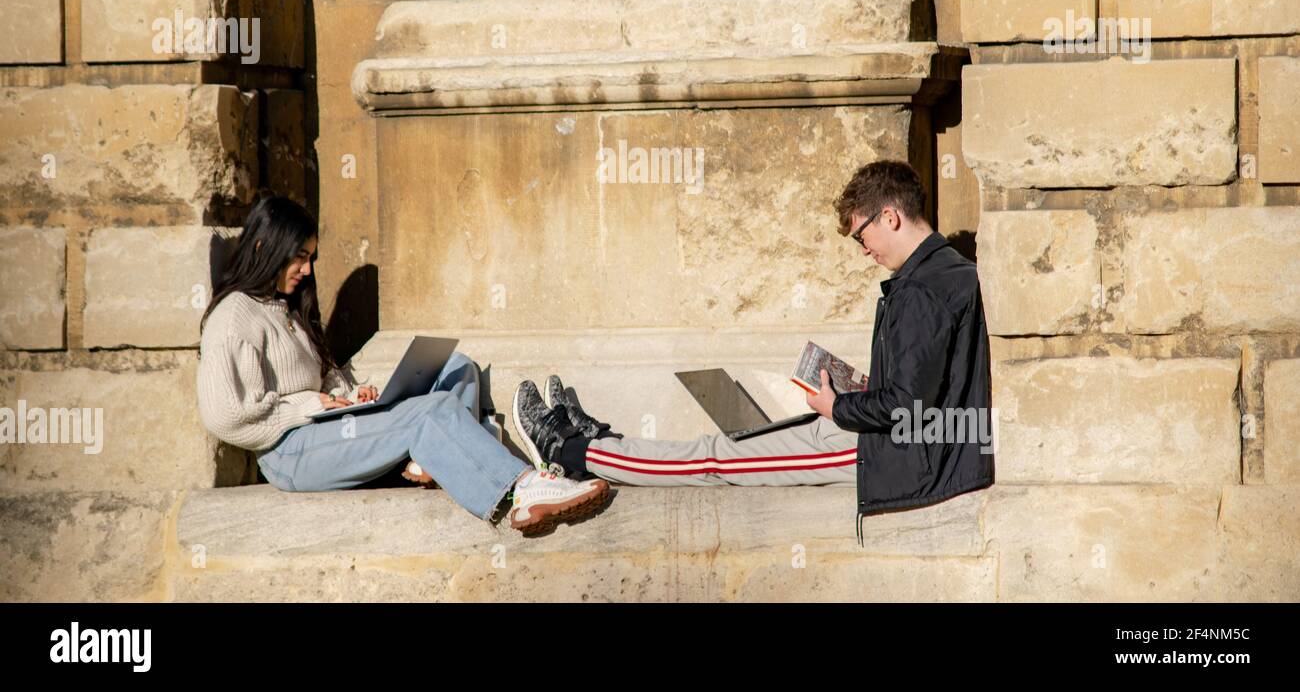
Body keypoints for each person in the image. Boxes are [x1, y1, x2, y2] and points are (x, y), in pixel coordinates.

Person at [513, 160, 995, 544]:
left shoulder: (918, 290)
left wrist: (838, 405)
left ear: (889, 215)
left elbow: (905, 407)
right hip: (907, 445)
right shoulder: (951, 269)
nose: (863, 250)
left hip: (886, 454)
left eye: (861, 235)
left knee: (714, 460)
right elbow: (928, 384)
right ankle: (602, 443)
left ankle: (572, 449)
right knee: (730, 444)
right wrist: (863, 392)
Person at [196, 193, 611, 536]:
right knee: (427, 414)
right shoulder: (234, 316)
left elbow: (323, 380)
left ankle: (429, 459)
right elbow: (224, 415)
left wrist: (349, 395)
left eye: (310, 259)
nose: (306, 270)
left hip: (327, 431)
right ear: (262, 248)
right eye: (299, 258)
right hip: (291, 454)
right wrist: (310, 406)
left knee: (458, 367)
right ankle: (521, 490)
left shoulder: (285, 309)